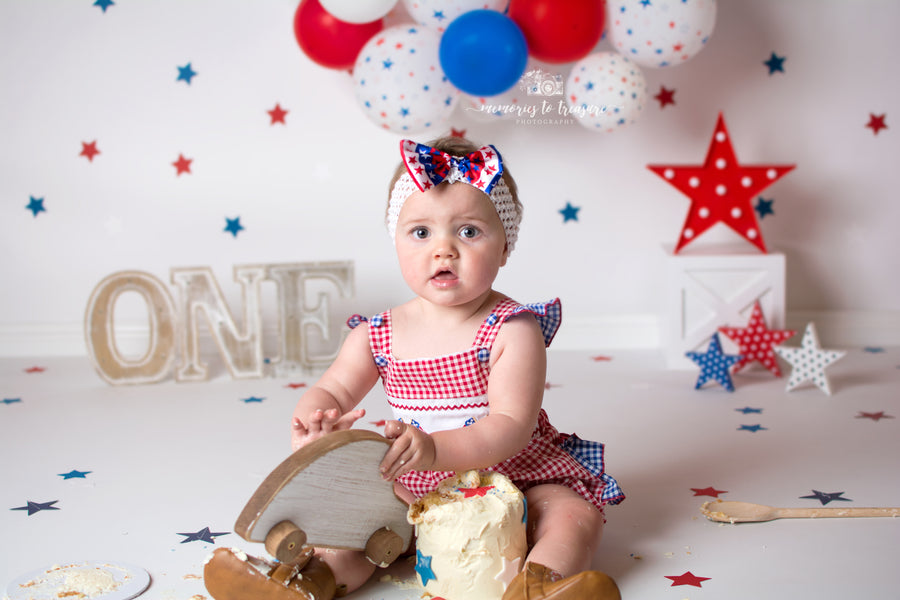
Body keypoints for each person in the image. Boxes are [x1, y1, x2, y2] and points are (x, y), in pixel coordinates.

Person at [290, 137, 624, 600]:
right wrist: (316, 423)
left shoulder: (512, 329)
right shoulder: (376, 333)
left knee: (572, 515)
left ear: (505, 247)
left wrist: (432, 449)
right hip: (410, 487)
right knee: (355, 533)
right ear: (397, 241)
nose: (443, 250)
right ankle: (305, 582)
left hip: (514, 478)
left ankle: (539, 585)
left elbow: (510, 425)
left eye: (468, 232)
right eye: (421, 233)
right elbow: (333, 389)